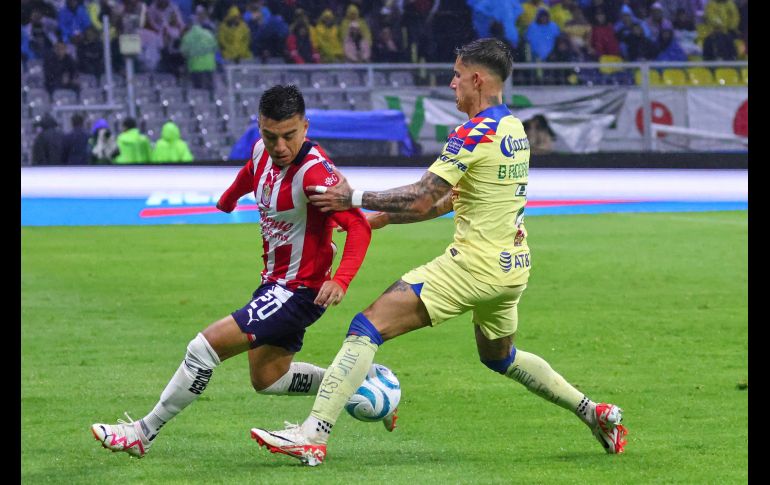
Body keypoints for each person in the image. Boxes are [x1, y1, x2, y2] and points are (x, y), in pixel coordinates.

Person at [251, 38, 628, 467]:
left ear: (477, 79)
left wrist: (352, 197)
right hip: (513, 268)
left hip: (473, 266)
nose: (452, 84)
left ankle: (312, 435)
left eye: (456, 74)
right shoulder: (514, 129)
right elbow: (450, 200)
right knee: (501, 357)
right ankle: (594, 412)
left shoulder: (473, 132)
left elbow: (421, 196)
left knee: (366, 326)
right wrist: (384, 219)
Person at [90, 84, 378, 459]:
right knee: (268, 378)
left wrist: (341, 280)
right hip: (273, 284)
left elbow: (359, 227)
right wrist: (229, 197)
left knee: (204, 348)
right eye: (270, 136)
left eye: (289, 135)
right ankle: (358, 382)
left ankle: (142, 433)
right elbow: (251, 170)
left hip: (299, 291)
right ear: (260, 128)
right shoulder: (262, 151)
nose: (279, 146)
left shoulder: (314, 175)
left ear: (305, 127)